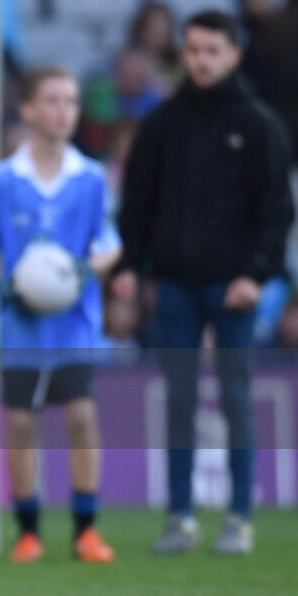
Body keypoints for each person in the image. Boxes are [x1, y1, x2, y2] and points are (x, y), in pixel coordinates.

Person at [111, 10, 294, 555]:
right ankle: (181, 516)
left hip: (234, 287)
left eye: (212, 51)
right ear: (182, 54)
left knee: (237, 398)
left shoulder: (260, 125)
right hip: (176, 288)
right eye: (193, 50)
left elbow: (277, 212)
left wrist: (255, 274)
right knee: (180, 402)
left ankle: (239, 517)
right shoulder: (163, 124)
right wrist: (130, 266)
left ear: (234, 55)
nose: (201, 60)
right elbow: (138, 205)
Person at [0, 67, 122, 564]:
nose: (64, 111)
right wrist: (7, 285)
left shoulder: (91, 178)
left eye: (72, 101)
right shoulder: (4, 180)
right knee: (22, 424)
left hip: (75, 322)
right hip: (22, 327)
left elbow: (107, 246)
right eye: (53, 100)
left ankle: (86, 530)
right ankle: (29, 531)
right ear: (29, 110)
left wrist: (82, 272)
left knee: (82, 416)